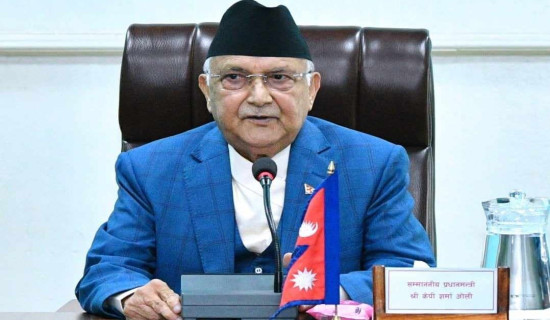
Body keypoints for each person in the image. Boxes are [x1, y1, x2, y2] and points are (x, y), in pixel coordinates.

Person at [75, 1, 436, 319]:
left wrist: (327, 297)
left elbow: (405, 270)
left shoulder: (374, 163)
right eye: (235, 78)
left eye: (279, 78)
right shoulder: (149, 168)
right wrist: (133, 296)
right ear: (207, 90)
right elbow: (109, 269)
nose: (259, 97)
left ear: (311, 90)